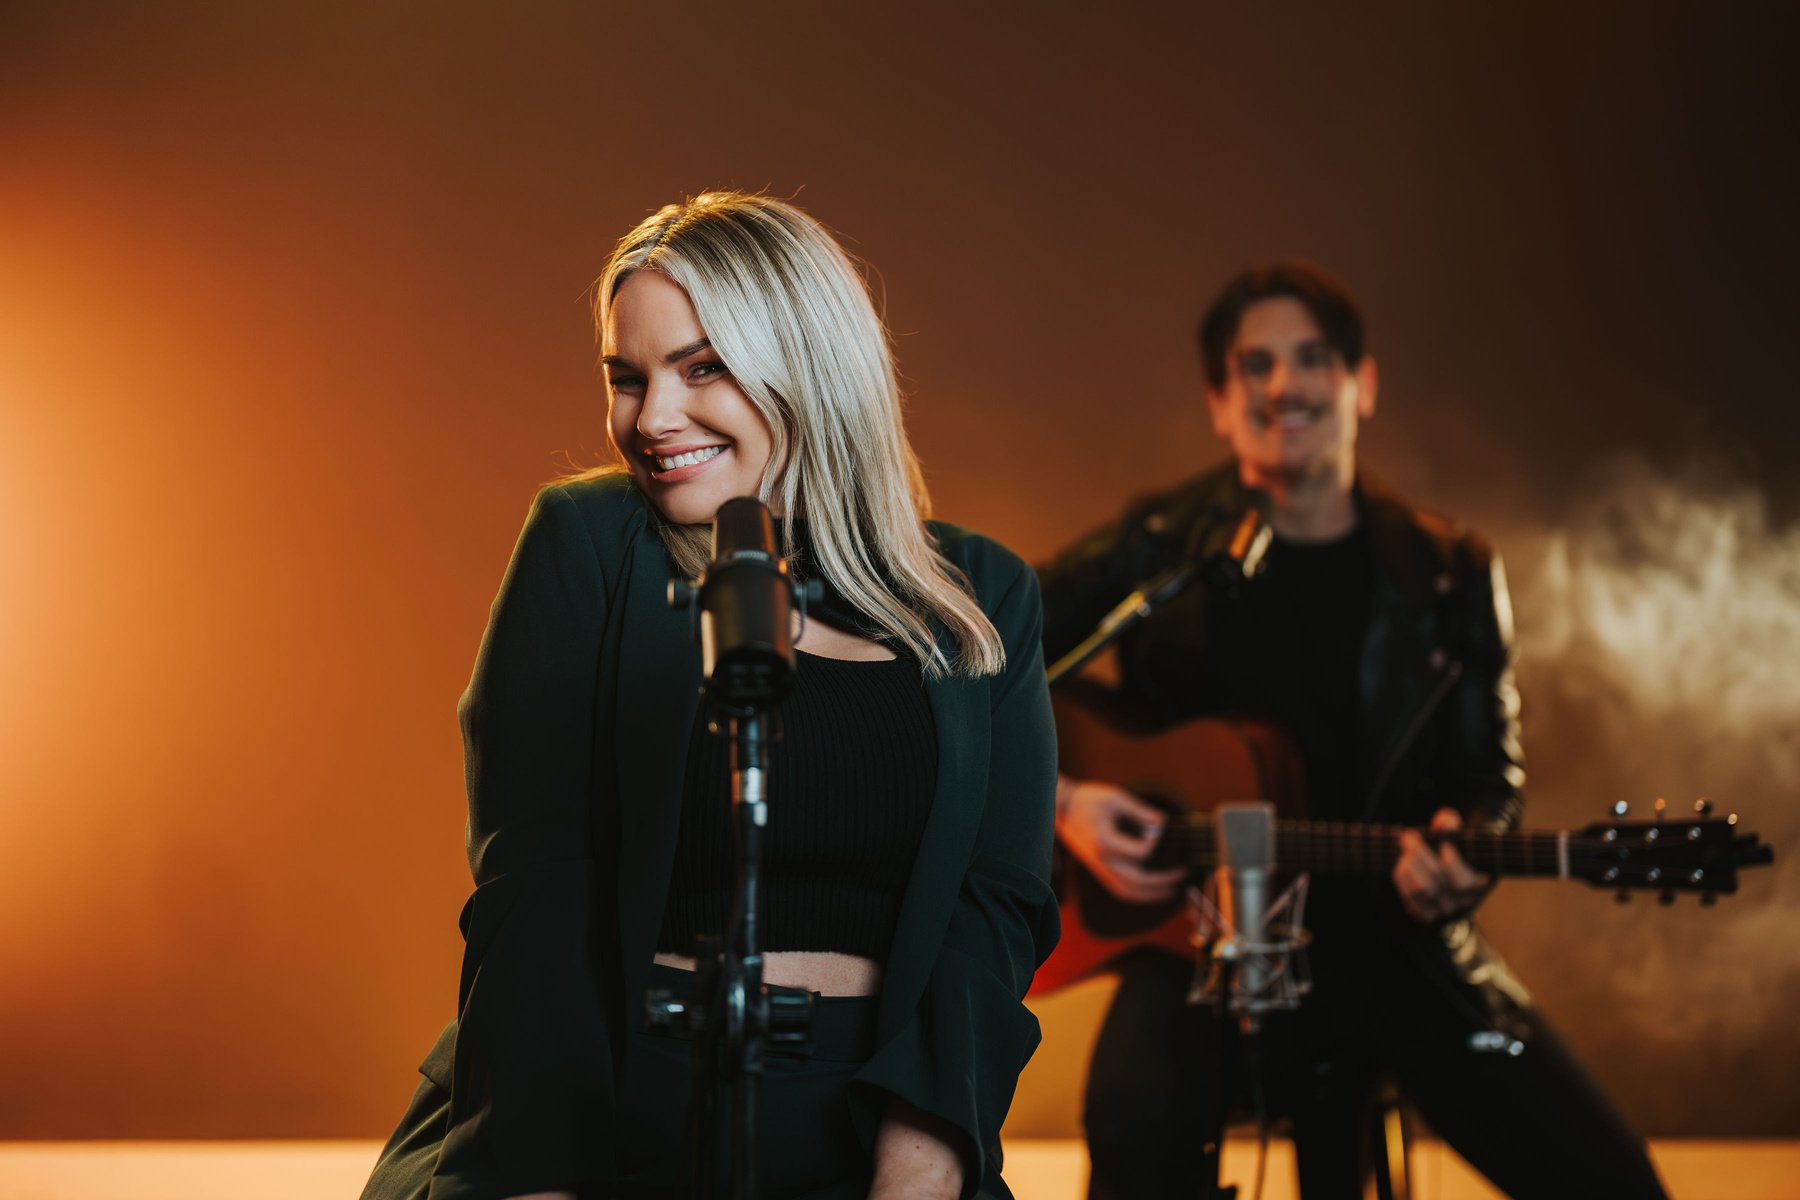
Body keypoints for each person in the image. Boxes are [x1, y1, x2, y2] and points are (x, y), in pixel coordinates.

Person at [361, 193, 1059, 1200]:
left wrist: (923, 1165)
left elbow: (996, 910)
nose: (651, 419)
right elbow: (534, 893)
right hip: (611, 1112)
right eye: (627, 379)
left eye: (702, 369)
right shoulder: (586, 544)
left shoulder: (985, 595)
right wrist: (541, 1183)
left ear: (812, 368)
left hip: (881, 1121)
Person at [1038, 262, 1669, 1199]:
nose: (1284, 386)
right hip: (1199, 952)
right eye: (1256, 366)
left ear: (1360, 384)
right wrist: (1063, 803)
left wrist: (1468, 848)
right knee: (1134, 1121)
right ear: (1219, 403)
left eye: (1312, 359)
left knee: (1613, 1183)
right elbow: (971, 654)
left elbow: (1490, 782)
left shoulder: (1449, 571)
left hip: (1393, 950)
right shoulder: (1161, 544)